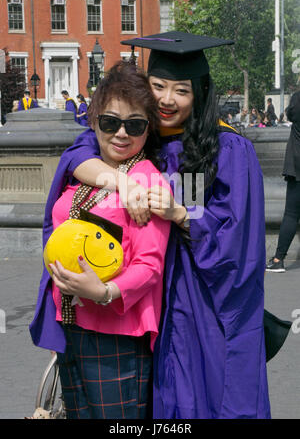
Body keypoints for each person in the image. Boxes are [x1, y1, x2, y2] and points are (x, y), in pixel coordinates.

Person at [32, 31, 271, 419]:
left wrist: (181, 213)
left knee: (199, 395)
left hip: (196, 301)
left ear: (200, 94)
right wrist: (120, 180)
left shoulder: (224, 149)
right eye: (158, 86)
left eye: (182, 90)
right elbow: (77, 152)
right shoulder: (137, 132)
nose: (167, 99)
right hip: (140, 307)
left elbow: (239, 242)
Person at [30, 62, 171, 419]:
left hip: (116, 332)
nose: (121, 134)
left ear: (148, 128)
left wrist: (105, 292)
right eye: (110, 123)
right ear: (93, 122)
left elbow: (149, 266)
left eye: (135, 125)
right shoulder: (86, 169)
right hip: (71, 324)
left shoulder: (149, 183)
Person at [266, 91, 300, 273]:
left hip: (297, 166)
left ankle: (279, 259)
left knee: (291, 214)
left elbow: (290, 113)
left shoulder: (297, 98)